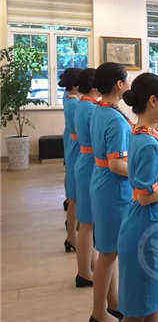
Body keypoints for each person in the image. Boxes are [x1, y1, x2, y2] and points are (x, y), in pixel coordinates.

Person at [118, 73, 158, 322]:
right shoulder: (148, 143)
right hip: (146, 227)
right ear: (153, 101)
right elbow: (145, 195)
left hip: (148, 223)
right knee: (138, 309)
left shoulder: (142, 132)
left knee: (150, 302)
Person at [89, 62, 132, 322]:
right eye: (126, 80)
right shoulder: (114, 119)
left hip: (103, 183)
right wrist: (141, 173)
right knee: (107, 254)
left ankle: (113, 301)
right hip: (112, 189)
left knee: (110, 250)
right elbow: (117, 164)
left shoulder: (100, 109)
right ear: (118, 84)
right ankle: (98, 313)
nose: (128, 84)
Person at [73, 68, 100, 288]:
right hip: (91, 162)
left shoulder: (82, 104)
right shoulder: (91, 108)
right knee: (88, 223)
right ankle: (84, 272)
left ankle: (87, 267)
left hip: (85, 160)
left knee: (86, 222)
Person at [59, 67, 82, 254]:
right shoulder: (75, 103)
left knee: (73, 188)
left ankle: (72, 231)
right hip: (76, 144)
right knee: (75, 194)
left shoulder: (69, 97)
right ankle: (72, 236)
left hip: (71, 141)